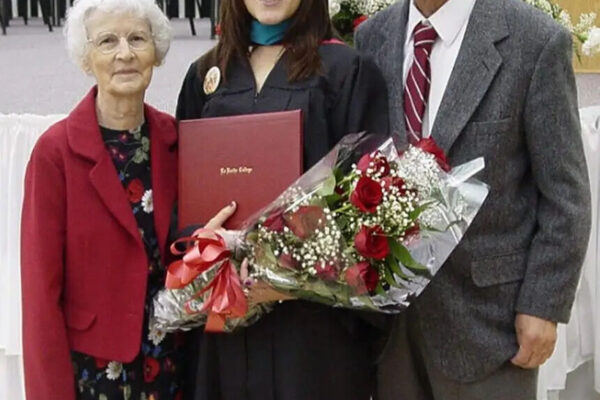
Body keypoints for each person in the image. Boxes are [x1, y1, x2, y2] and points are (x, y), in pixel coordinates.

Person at [355, 0, 592, 398]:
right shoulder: (371, 37)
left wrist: (543, 303)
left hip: (489, 326)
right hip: (391, 330)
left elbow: (565, 195)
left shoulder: (535, 40)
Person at [20, 0, 235, 398]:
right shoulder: (55, 153)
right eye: (107, 41)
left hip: (172, 364)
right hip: (93, 373)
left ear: (156, 51)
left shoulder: (177, 140)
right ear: (86, 58)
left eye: (137, 39)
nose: (125, 54)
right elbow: (40, 296)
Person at [176, 0, 389, 398]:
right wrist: (202, 247)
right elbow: (183, 193)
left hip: (310, 333)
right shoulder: (206, 74)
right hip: (225, 327)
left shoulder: (346, 71)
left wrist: (292, 274)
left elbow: (370, 207)